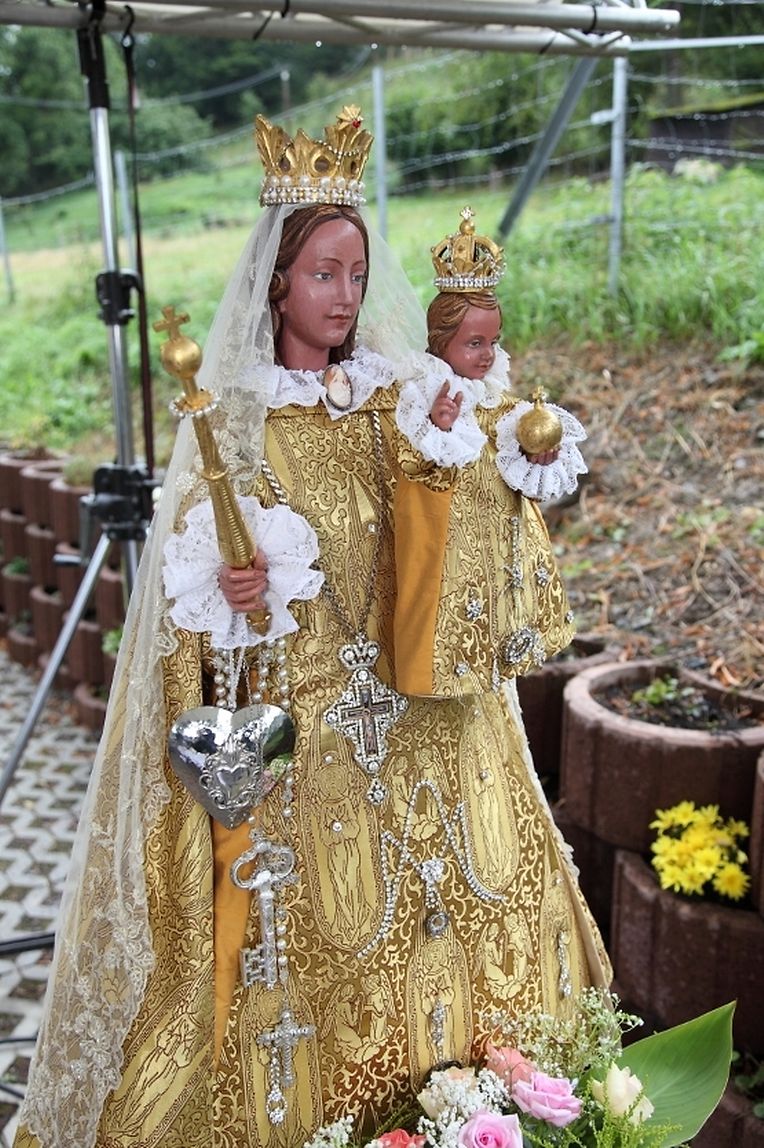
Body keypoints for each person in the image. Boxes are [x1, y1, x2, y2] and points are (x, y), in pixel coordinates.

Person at [15, 111, 608, 1148]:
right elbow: (190, 601)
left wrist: (493, 450)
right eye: (323, 273)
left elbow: (464, 498)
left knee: (454, 916)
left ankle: (471, 1104)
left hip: (423, 720)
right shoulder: (238, 420)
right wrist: (230, 586)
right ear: (278, 282)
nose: (343, 295)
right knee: (312, 953)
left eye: (356, 274)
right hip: (307, 740)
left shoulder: (399, 397)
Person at [393, 205, 589, 698]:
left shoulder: (502, 405)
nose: (486, 354)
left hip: (500, 540)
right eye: (474, 343)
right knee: (451, 620)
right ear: (440, 343)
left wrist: (537, 453)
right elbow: (413, 465)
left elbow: (521, 470)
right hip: (449, 546)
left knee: (504, 614)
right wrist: (439, 428)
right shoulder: (423, 401)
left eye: (493, 341)